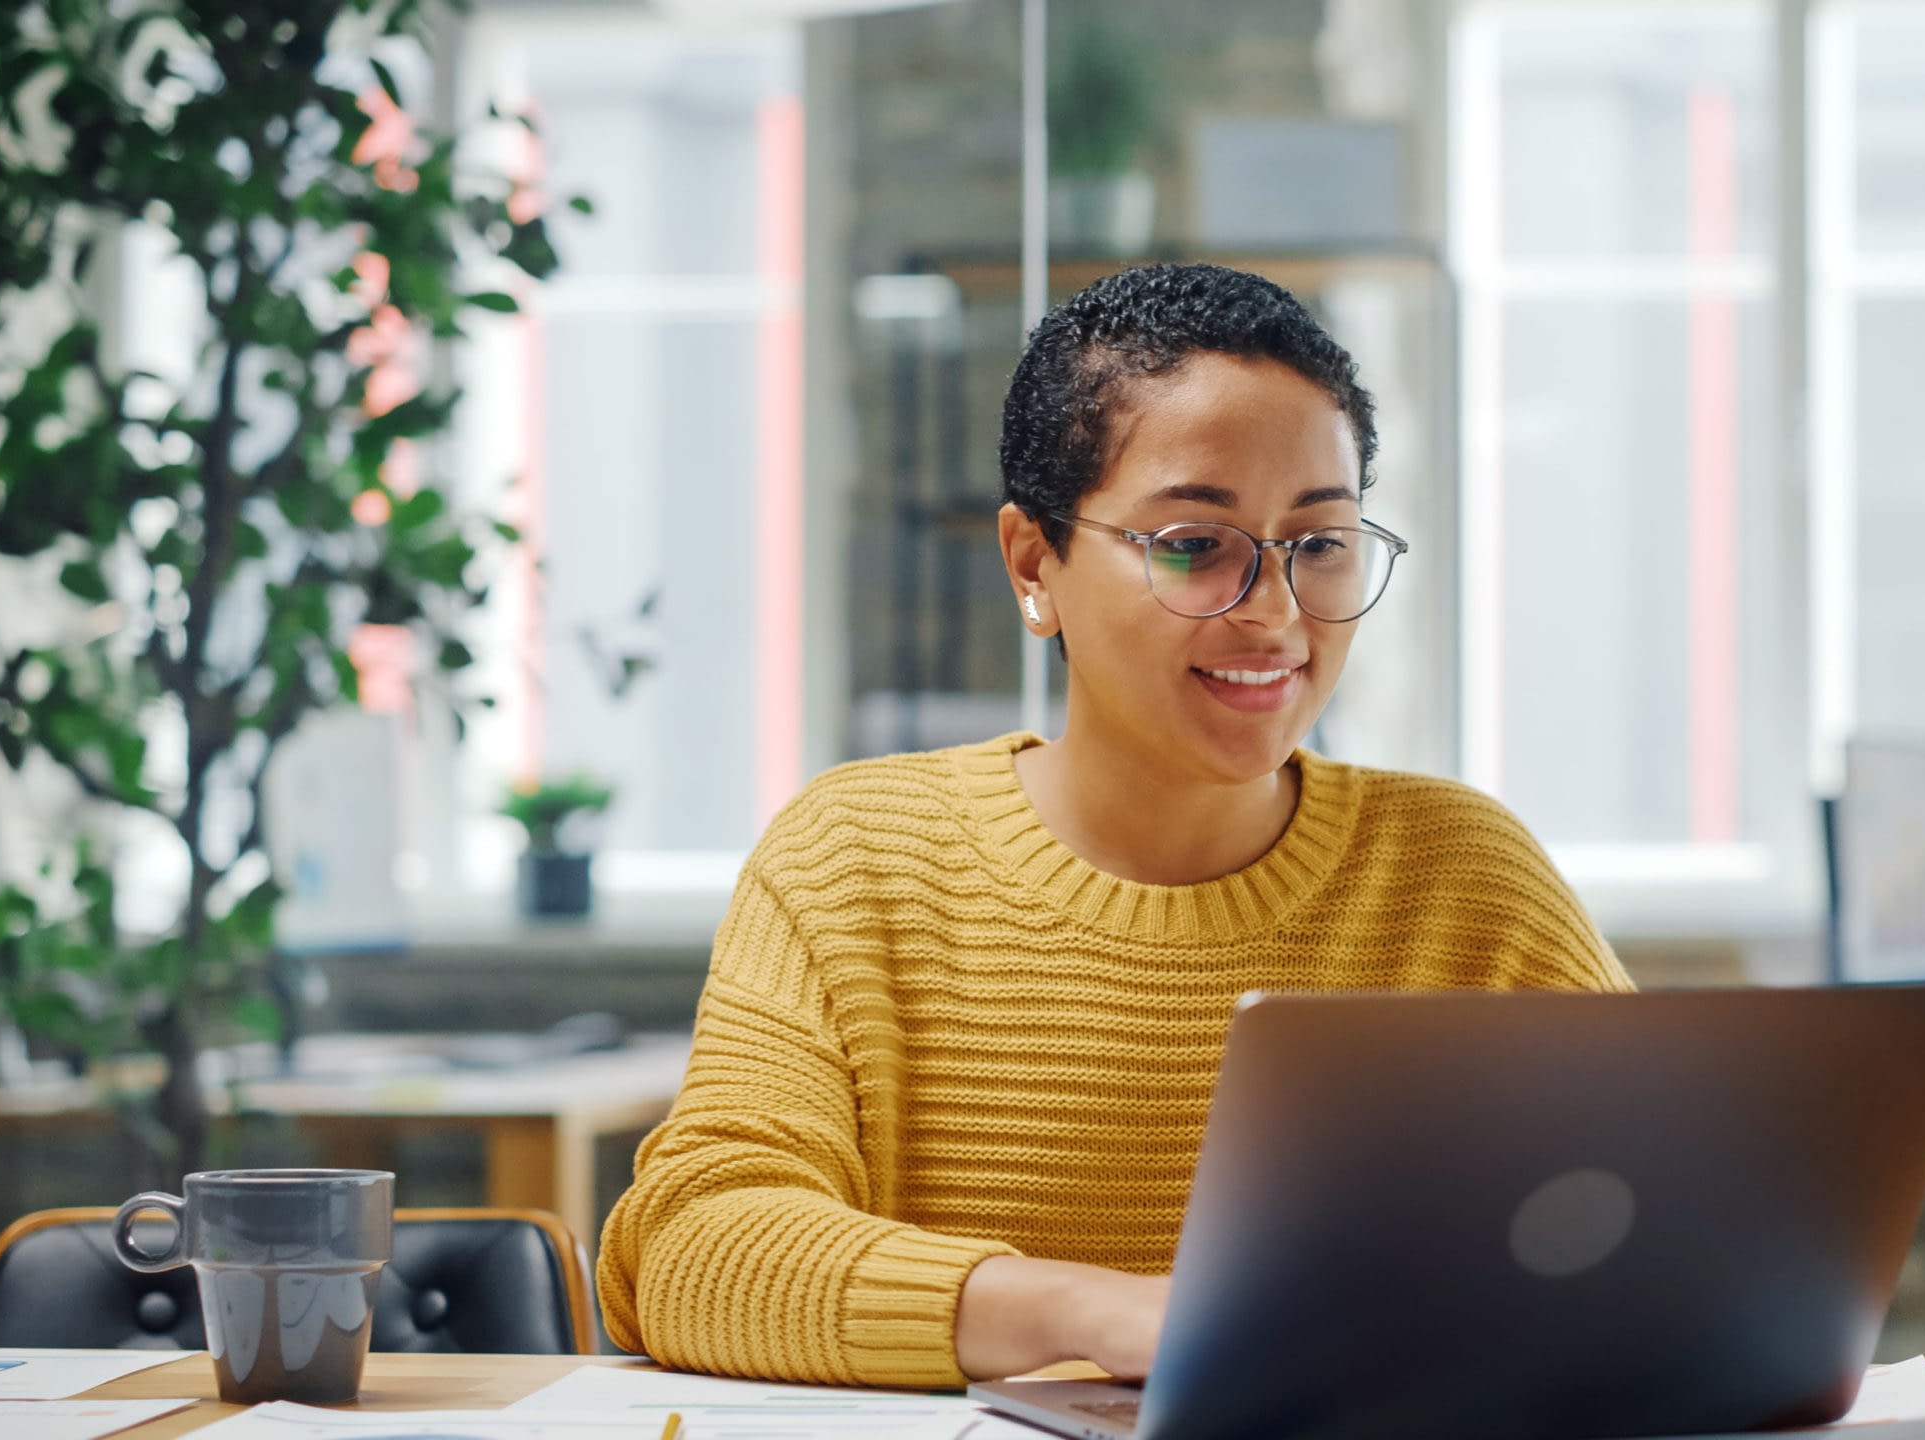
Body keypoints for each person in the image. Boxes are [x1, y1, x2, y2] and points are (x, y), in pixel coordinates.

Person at [595, 263, 1631, 1388]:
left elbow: (1678, 1225)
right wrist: (1094, 1314)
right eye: (1195, 544)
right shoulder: (856, 860)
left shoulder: (1462, 876)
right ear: (1035, 565)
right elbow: (693, 1248)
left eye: (1320, 545)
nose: (1275, 615)